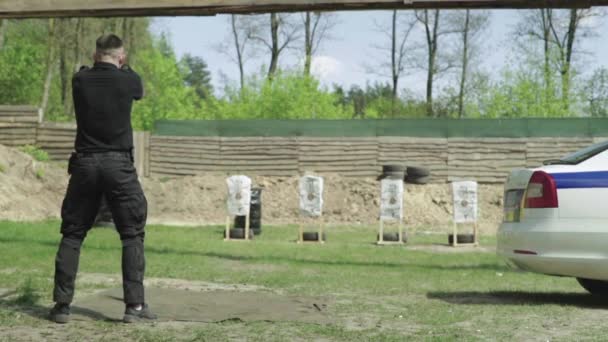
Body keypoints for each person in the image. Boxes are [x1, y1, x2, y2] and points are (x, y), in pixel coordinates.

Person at [49, 34, 156, 324]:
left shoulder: (79, 80)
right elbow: (138, 89)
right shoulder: (128, 80)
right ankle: (134, 307)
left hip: (84, 164)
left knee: (72, 234)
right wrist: (124, 66)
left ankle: (61, 306)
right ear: (121, 58)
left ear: (96, 55)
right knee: (132, 234)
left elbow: (85, 72)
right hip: (118, 164)